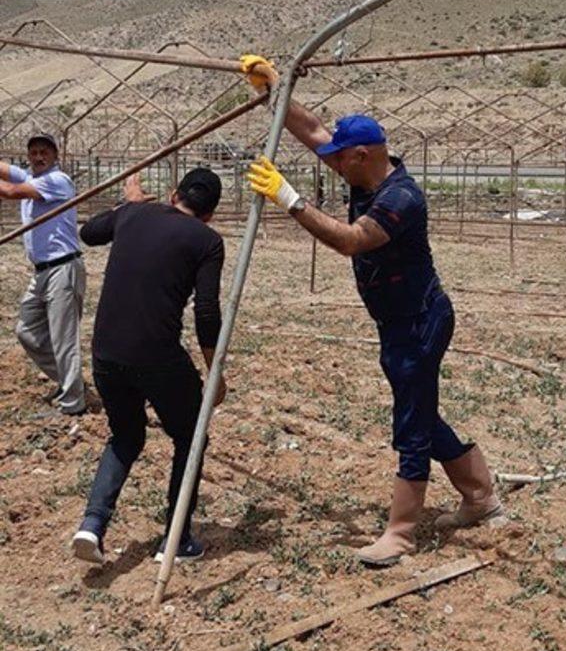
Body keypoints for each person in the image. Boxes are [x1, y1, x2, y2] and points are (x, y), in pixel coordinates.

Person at [240, 55, 503, 568]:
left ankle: (401, 533)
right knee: (419, 407)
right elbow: (314, 131)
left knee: (410, 421)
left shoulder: (400, 198)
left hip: (420, 320)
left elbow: (352, 241)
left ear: (362, 155)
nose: (331, 161)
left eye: (341, 157)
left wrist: (290, 199)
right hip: (395, 320)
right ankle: (480, 496)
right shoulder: (362, 174)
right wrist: (273, 91)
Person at [71, 167, 226, 566]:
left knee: (125, 436)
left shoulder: (134, 214)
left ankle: (92, 524)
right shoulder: (207, 240)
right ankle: (177, 538)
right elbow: (206, 312)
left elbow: (88, 233)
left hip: (106, 351)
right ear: (210, 213)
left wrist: (129, 204)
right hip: (157, 355)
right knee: (191, 436)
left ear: (174, 194)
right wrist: (215, 372)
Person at [0, 133, 86, 415]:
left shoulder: (57, 181)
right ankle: (70, 381)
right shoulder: (30, 175)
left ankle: (72, 403)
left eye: (44, 153)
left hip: (62, 267)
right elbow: (5, 170)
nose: (38, 157)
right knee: (27, 331)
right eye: (34, 152)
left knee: (63, 337)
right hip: (42, 271)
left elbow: (11, 192)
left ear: (55, 156)